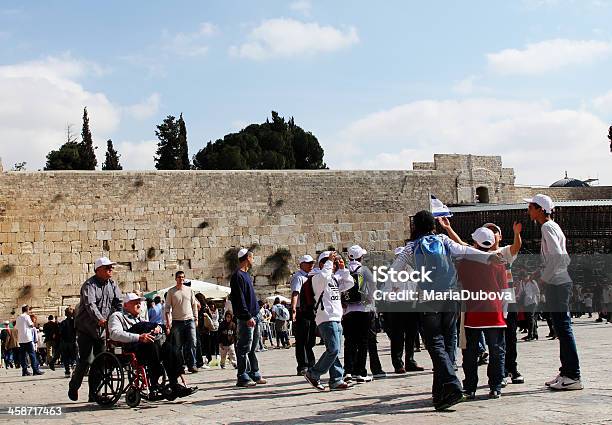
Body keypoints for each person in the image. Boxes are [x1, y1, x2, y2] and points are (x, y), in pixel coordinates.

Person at [391, 210, 497, 411]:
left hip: (428, 300)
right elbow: (464, 251)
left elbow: (395, 271)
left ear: (416, 227)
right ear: (433, 225)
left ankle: (451, 384)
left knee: (435, 345)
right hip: (450, 297)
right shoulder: (442, 240)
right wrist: (488, 256)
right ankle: (440, 394)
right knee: (449, 343)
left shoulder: (411, 247)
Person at [441, 219, 525, 384]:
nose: (492, 233)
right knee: (496, 346)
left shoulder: (501, 253)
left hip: (495, 302)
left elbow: (516, 247)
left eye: (494, 230)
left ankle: (506, 371)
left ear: (499, 236)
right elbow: (461, 243)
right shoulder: (487, 258)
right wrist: (449, 228)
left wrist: (517, 234)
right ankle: (496, 380)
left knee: (505, 340)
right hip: (495, 305)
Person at [525, 194, 582, 390]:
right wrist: (540, 272)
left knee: (563, 329)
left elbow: (558, 257)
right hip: (559, 280)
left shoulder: (547, 227)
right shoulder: (552, 226)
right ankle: (566, 371)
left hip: (557, 283)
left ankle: (573, 374)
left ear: (540, 209)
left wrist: (544, 278)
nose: (528, 210)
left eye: (531, 206)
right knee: (560, 328)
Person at [108, 293, 197, 399]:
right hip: (130, 346)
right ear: (126, 305)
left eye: (139, 303)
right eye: (135, 303)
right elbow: (114, 334)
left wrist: (157, 328)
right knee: (149, 341)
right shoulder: (117, 316)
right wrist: (139, 337)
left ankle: (174, 383)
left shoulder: (140, 318)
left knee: (170, 348)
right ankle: (154, 384)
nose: (139, 305)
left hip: (148, 343)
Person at [457, 227, 508, 399]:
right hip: (494, 311)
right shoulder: (498, 260)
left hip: (474, 311)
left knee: (470, 352)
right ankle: (495, 386)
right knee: (497, 350)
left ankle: (470, 386)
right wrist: (506, 311)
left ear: (475, 243)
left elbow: (461, 283)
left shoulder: (465, 262)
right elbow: (504, 287)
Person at [69, 257, 122, 401]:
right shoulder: (89, 285)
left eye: (111, 267)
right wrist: (100, 319)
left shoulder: (112, 284)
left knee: (100, 360)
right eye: (107, 267)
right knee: (85, 360)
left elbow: (118, 303)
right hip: (86, 328)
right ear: (98, 270)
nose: (110, 270)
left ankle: (93, 392)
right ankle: (74, 386)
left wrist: (119, 318)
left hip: (102, 331)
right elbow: (90, 305)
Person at [304, 251, 354, 391]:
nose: (332, 264)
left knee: (335, 351)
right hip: (326, 317)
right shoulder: (317, 278)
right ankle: (313, 373)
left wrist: (343, 269)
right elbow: (324, 275)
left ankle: (336, 380)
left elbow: (349, 283)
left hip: (336, 317)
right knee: (333, 349)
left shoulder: (332, 278)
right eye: (328, 261)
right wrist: (329, 262)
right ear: (322, 263)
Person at [342, 245, 382, 382]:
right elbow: (372, 287)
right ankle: (360, 372)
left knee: (349, 342)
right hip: (363, 310)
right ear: (361, 257)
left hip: (347, 312)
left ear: (349, 257)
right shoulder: (364, 270)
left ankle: (348, 371)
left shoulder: (344, 271)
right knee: (363, 342)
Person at [230, 248, 267, 387]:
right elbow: (239, 299)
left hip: (255, 315)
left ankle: (254, 373)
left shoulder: (246, 275)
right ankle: (242, 376)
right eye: (252, 257)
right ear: (247, 258)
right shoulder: (237, 276)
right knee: (244, 347)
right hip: (247, 318)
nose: (253, 260)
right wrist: (246, 316)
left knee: (252, 347)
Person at [164, 271, 199, 373]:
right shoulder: (171, 291)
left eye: (183, 277)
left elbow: (194, 305)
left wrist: (196, 318)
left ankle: (192, 364)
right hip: (177, 321)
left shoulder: (189, 290)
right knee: (178, 346)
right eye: (179, 277)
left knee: (193, 342)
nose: (181, 279)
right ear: (176, 279)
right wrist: (168, 322)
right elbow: (167, 308)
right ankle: (180, 366)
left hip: (189, 320)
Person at [291, 254, 317, 376]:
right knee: (301, 340)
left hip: (310, 311)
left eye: (312, 263)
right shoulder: (298, 277)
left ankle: (311, 363)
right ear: (301, 264)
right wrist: (294, 309)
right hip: (301, 311)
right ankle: (302, 365)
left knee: (310, 339)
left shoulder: (311, 277)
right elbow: (295, 293)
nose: (311, 265)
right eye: (308, 263)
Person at [16, 305, 44, 376]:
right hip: (27, 338)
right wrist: (33, 323)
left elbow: (16, 327)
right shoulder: (26, 316)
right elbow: (31, 325)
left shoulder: (18, 317)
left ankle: (24, 370)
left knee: (23, 356)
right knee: (32, 354)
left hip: (21, 339)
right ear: (27, 310)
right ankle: (35, 370)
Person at [59, 307, 77, 377]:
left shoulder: (63, 323)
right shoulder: (75, 322)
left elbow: (60, 333)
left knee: (66, 357)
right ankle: (74, 368)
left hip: (65, 342)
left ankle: (67, 371)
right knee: (74, 357)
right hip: (73, 341)